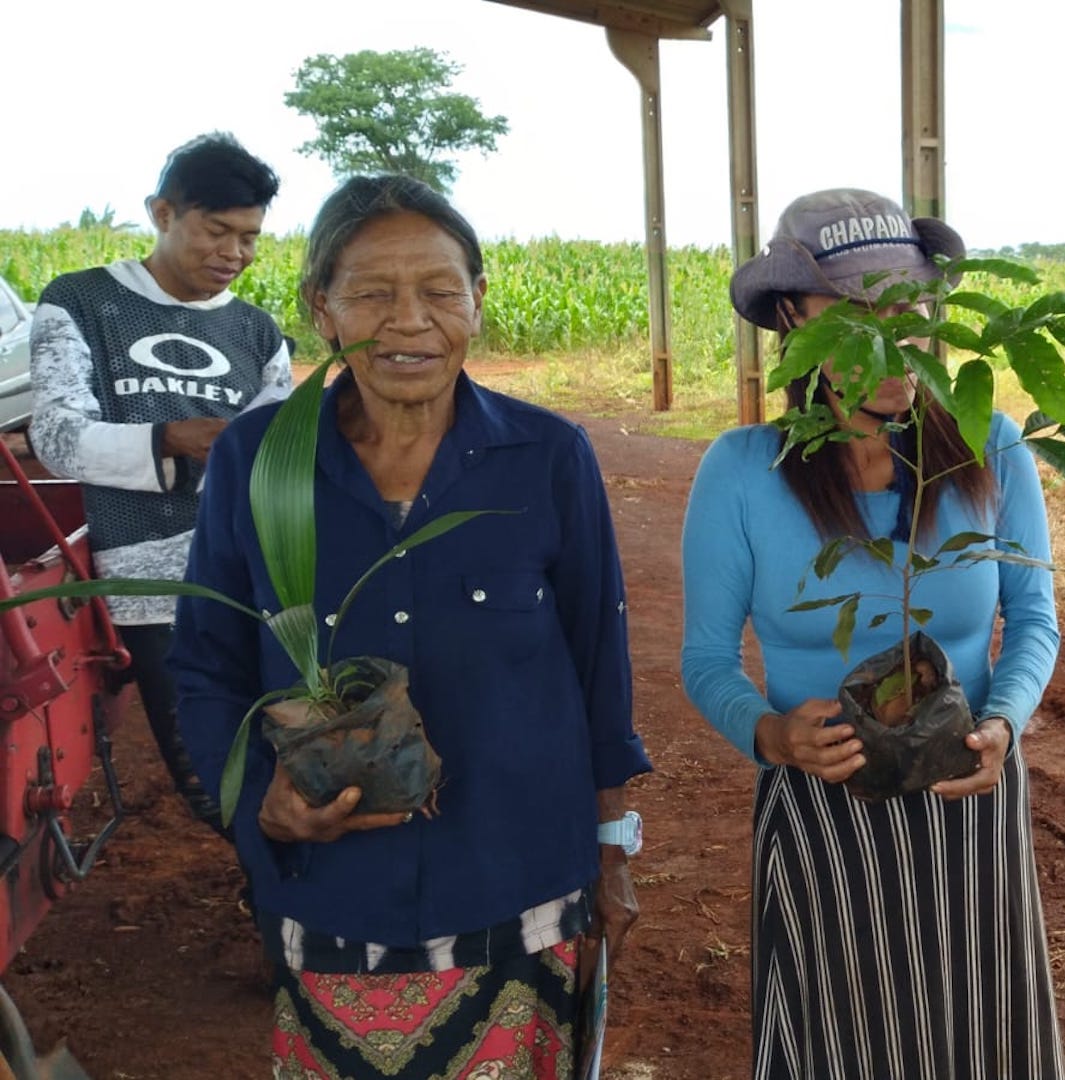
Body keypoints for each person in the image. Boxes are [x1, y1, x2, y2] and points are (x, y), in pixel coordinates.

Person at [170, 175, 651, 1079]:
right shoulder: (260, 459)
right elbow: (206, 666)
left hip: (518, 878)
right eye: (372, 293)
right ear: (321, 307)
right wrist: (258, 803)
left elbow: (598, 667)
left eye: (439, 290)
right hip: (334, 890)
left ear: (477, 299)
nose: (409, 321)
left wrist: (613, 848)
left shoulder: (548, 457)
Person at [681, 188, 1065, 1078]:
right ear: (794, 318)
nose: (889, 337)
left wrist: (1001, 724)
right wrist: (773, 733)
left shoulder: (987, 444)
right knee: (846, 1042)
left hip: (967, 794)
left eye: (907, 306)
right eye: (854, 311)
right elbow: (706, 658)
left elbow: (1033, 618)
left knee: (982, 1036)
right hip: (825, 810)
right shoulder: (743, 472)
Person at [29, 132, 291, 831]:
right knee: (210, 776)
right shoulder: (82, 301)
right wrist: (171, 438)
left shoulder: (258, 333)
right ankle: (284, 892)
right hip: (152, 582)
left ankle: (294, 892)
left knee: (290, 742)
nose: (234, 254)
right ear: (162, 213)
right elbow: (56, 437)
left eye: (250, 238)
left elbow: (278, 460)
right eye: (217, 230)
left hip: (257, 575)